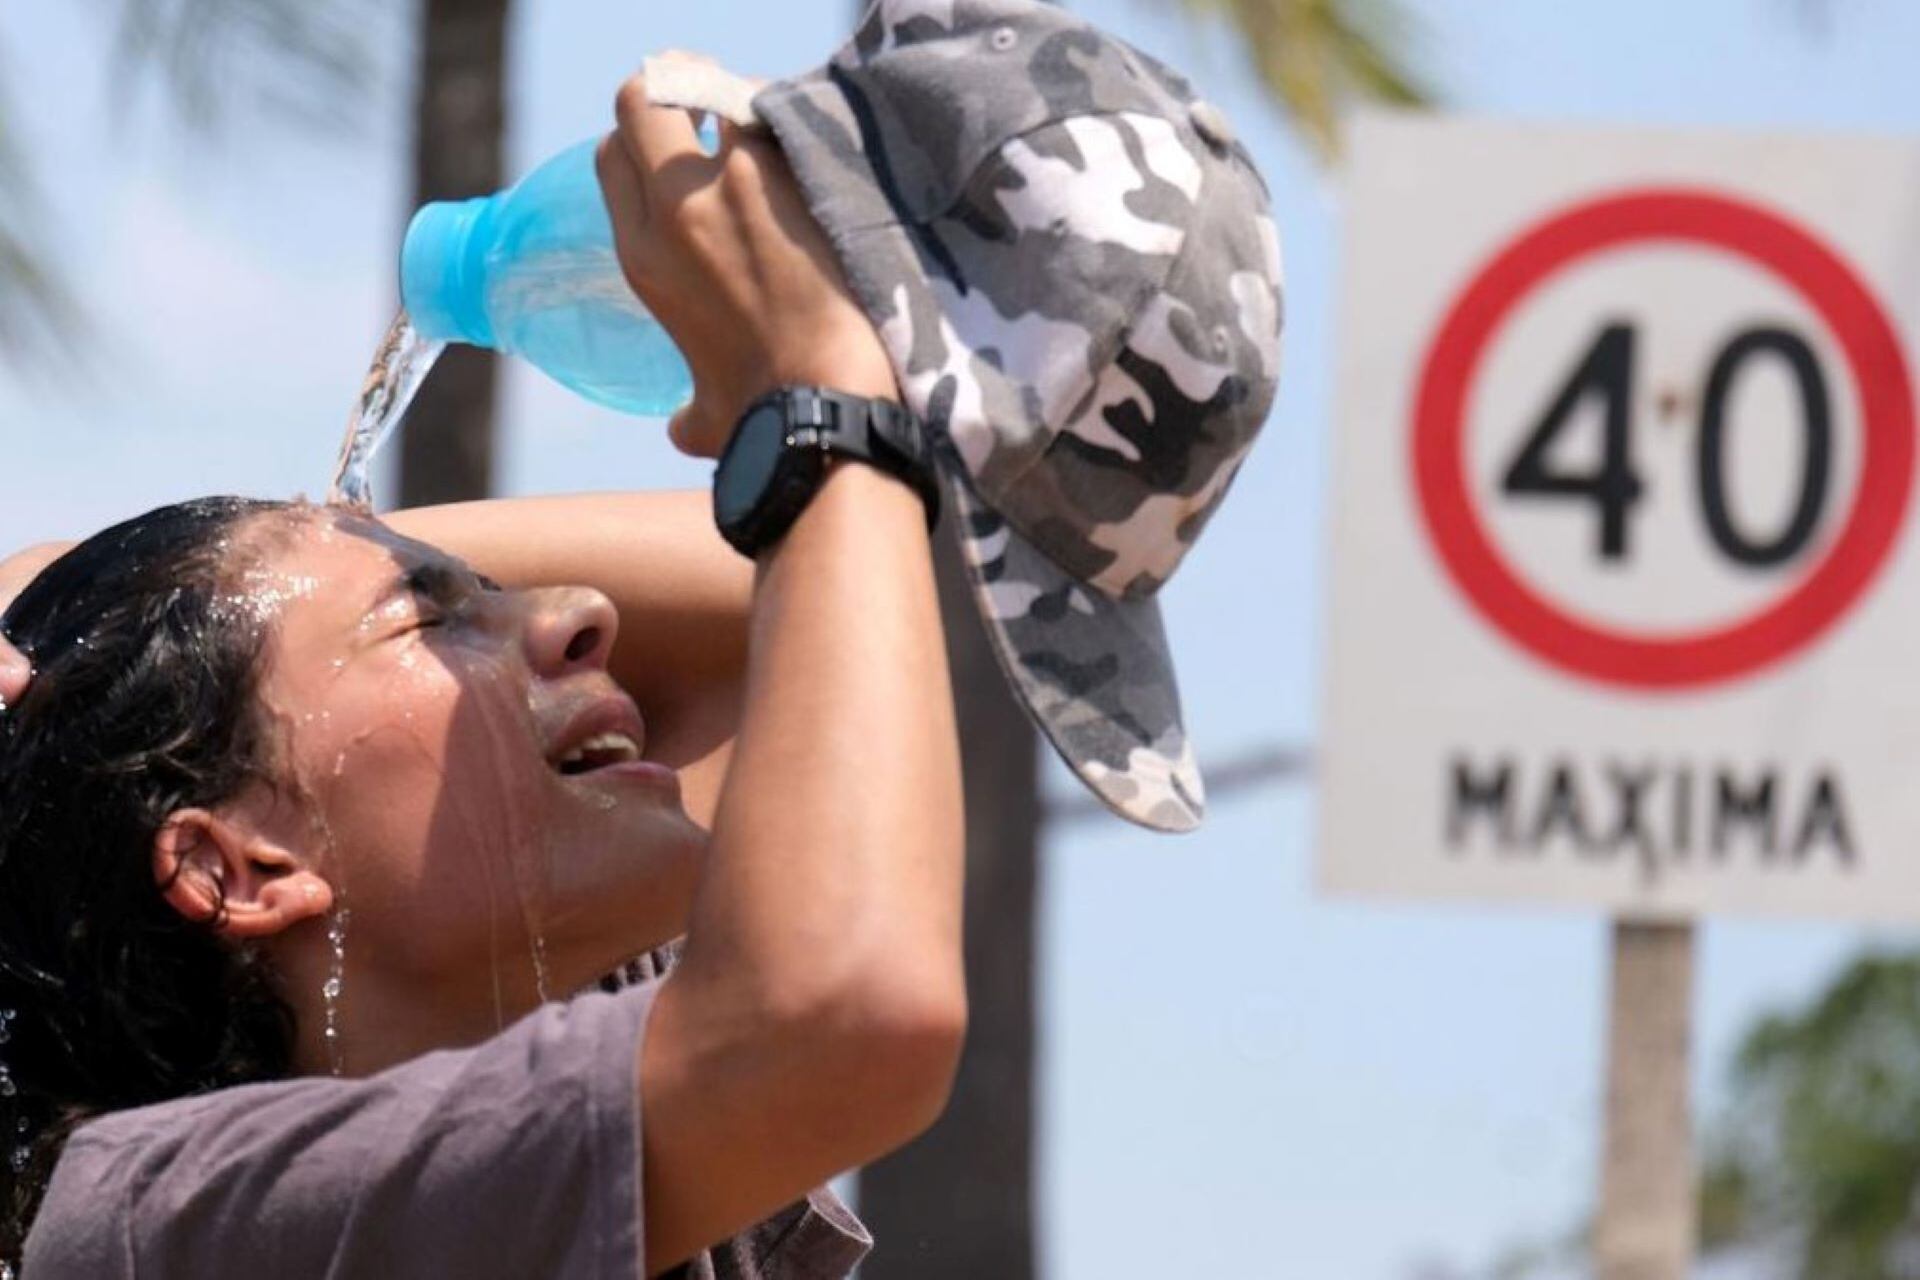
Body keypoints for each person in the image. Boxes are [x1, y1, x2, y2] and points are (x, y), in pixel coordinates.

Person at [0, 75, 964, 1279]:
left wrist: (176, 568)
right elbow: (847, 1013)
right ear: (236, 864)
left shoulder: (578, 1031)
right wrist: (819, 390)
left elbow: (819, 594)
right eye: (431, 619)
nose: (585, 615)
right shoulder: (162, 1224)